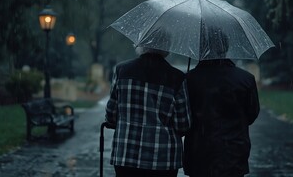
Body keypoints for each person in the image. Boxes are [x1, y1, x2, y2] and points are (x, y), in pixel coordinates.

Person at [105, 40, 191, 177]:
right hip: (163, 160)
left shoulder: (122, 70)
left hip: (126, 155)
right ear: (167, 47)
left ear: (140, 43)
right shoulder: (177, 77)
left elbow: (111, 114)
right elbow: (183, 125)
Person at [183, 27, 260, 177]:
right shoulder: (245, 79)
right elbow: (252, 114)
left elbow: (185, 117)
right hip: (233, 151)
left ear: (201, 49)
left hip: (199, 152)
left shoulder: (190, 79)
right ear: (225, 48)